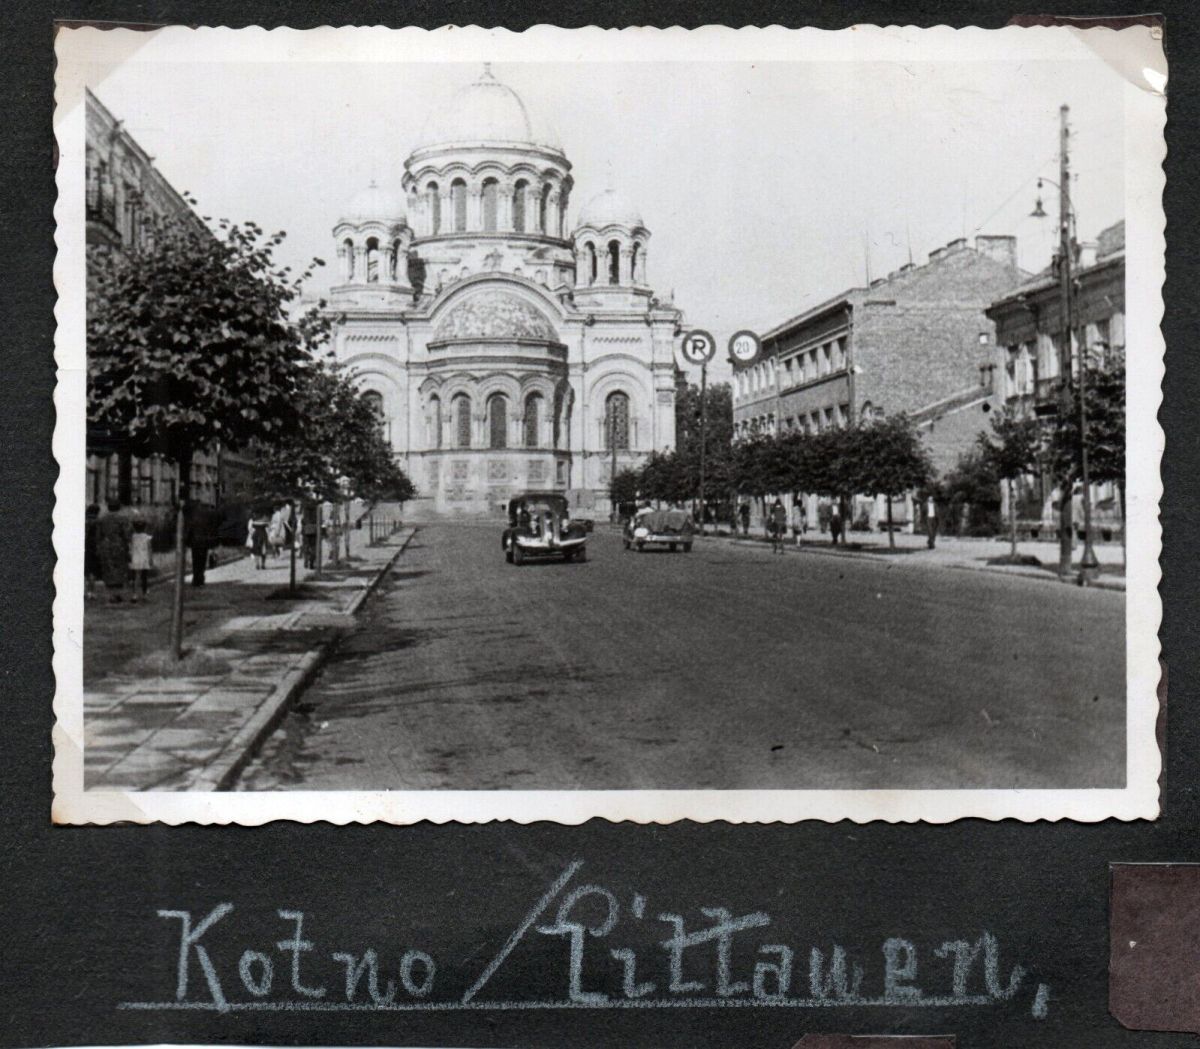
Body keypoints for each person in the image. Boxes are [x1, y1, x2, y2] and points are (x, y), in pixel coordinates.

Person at [95, 498, 132, 603]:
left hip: (106, 545)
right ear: (119, 507)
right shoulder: (123, 519)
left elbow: (98, 536)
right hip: (119, 546)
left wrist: (99, 547)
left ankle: (111, 595)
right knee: (120, 569)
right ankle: (117, 594)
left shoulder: (102, 519)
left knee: (108, 569)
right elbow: (127, 534)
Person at [186, 502, 220, 586]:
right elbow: (212, 531)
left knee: (196, 561)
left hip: (195, 543)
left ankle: (196, 579)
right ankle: (200, 579)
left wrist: (188, 542)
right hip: (203, 543)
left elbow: (189, 531)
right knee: (202, 562)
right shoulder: (207, 519)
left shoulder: (194, 519)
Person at [129, 516, 153, 603]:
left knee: (136, 577)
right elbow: (150, 549)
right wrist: (151, 559)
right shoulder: (147, 537)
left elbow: (131, 547)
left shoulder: (133, 537)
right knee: (144, 577)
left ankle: (134, 594)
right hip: (144, 558)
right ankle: (144, 594)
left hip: (135, 558)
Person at [84, 503, 100, 599]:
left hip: (85, 547)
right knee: (92, 572)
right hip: (93, 547)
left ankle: (86, 591)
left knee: (86, 570)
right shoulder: (97, 523)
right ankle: (91, 591)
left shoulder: (85, 521)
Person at [301, 503, 318, 569]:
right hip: (314, 529)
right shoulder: (316, 508)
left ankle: (306, 562)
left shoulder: (305, 509)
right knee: (313, 547)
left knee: (306, 546)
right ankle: (312, 561)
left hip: (306, 530)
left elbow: (303, 521)